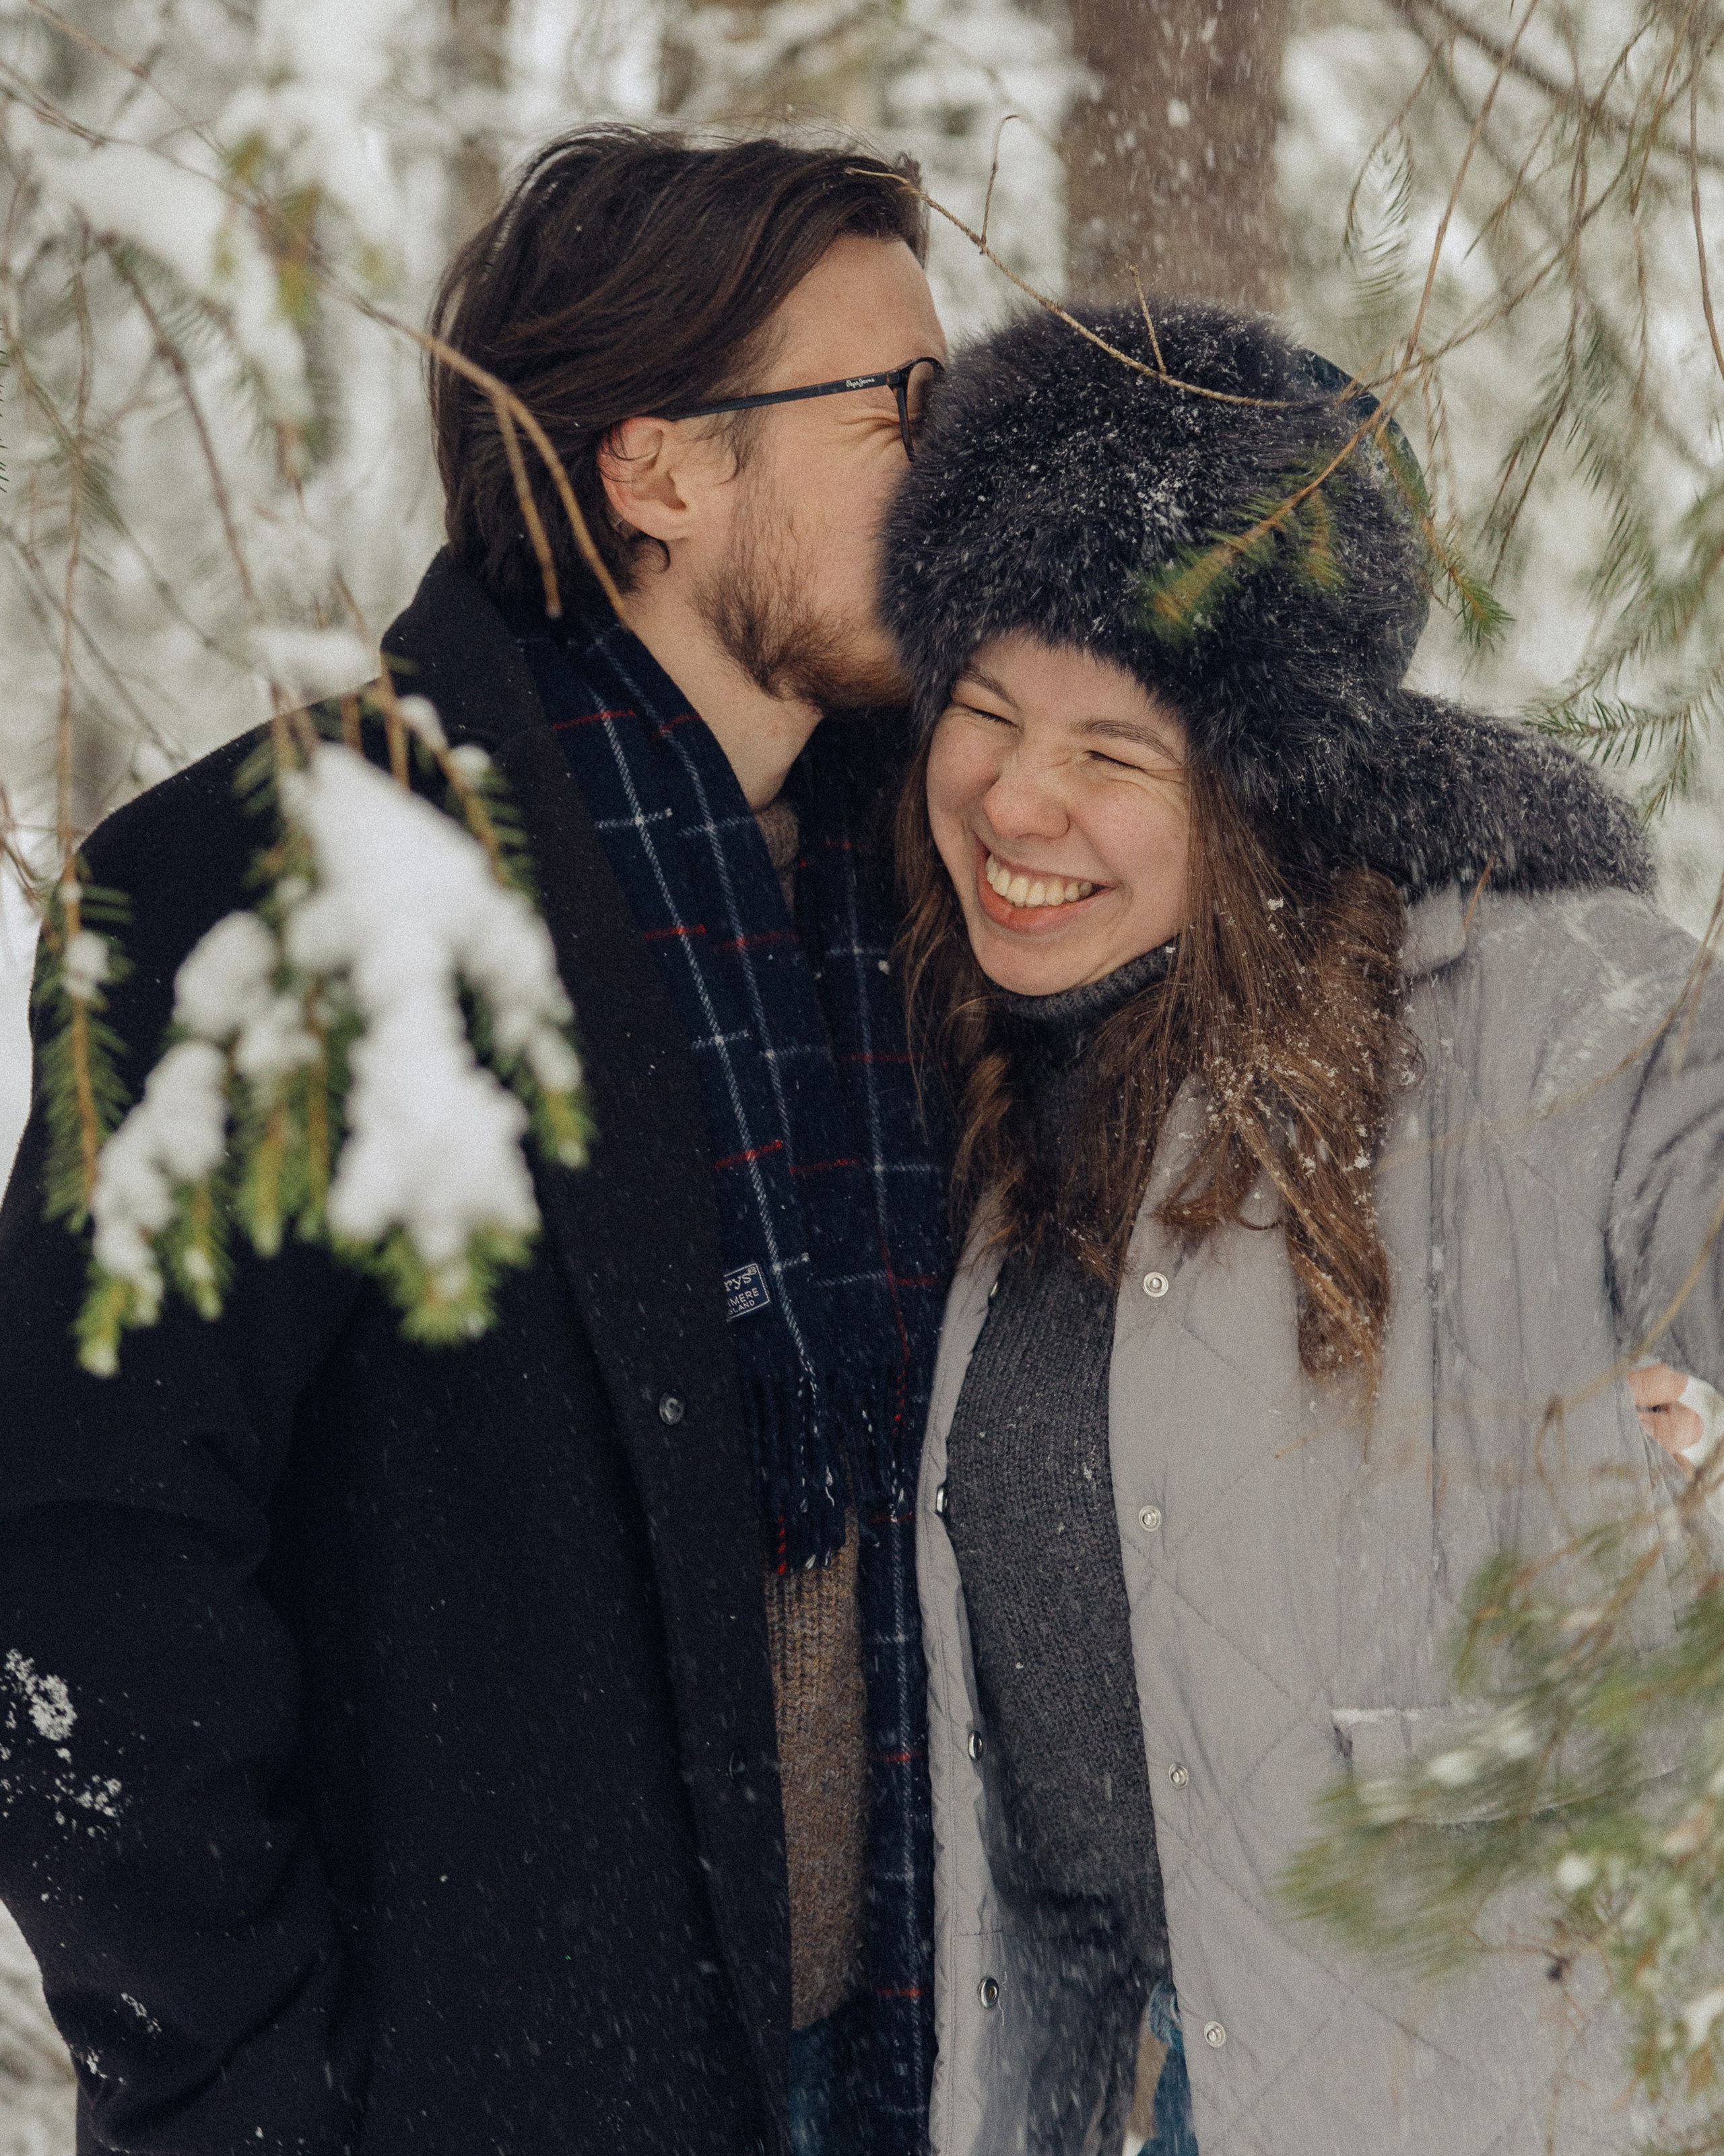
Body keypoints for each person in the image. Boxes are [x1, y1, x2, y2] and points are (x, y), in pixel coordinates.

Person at [0, 129, 951, 2155]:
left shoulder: (932, 897)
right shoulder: (268, 889)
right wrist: (250, 2100)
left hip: (894, 2081)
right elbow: (83, 1572)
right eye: (892, 404)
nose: (948, 465)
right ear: (660, 468)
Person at [876, 298, 1724, 2154]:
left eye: (1114, 751)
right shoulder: (959, 1049)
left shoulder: (1522, 1017)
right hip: (1090, 2082)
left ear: (1255, 782)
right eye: (988, 713)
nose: (1018, 799)